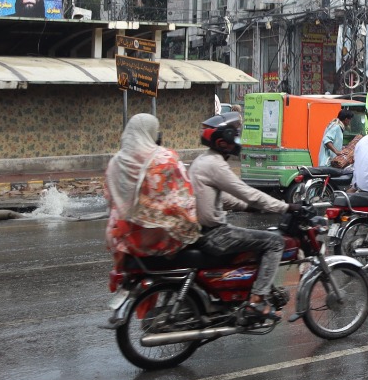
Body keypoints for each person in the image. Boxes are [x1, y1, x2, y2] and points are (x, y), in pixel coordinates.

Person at [190, 113, 289, 320]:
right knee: (275, 242)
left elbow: (223, 197)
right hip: (216, 234)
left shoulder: (204, 160)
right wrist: (285, 207)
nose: (237, 140)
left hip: (203, 231)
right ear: (222, 141)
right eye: (234, 136)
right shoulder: (215, 165)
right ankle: (257, 300)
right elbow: (247, 192)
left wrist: (246, 207)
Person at [104, 113, 201, 266]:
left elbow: (110, 200)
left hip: (123, 240)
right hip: (160, 240)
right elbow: (184, 197)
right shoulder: (164, 159)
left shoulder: (114, 163)